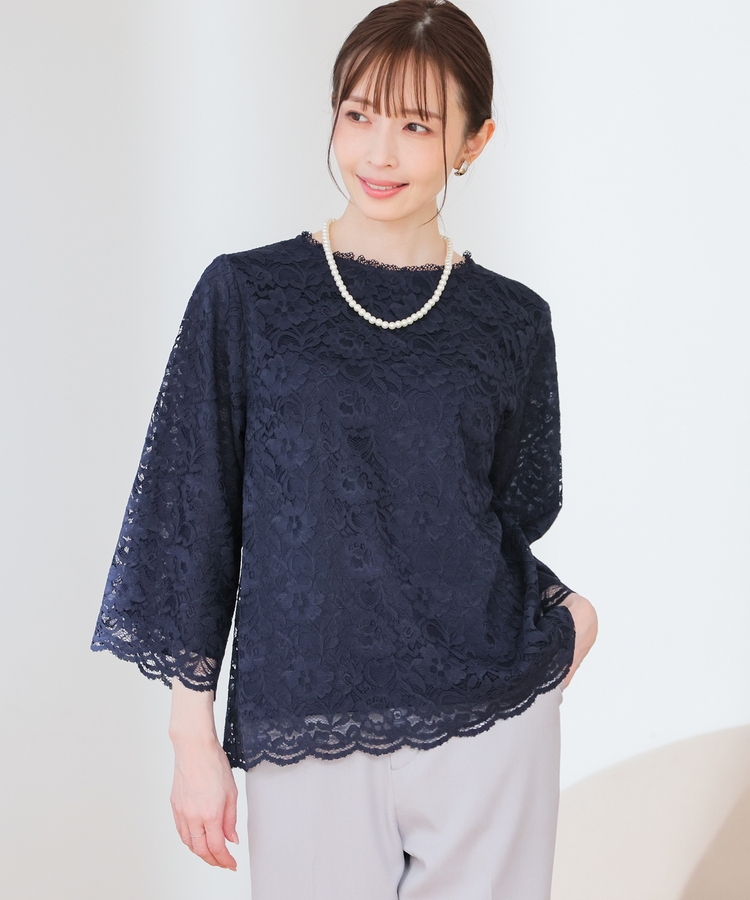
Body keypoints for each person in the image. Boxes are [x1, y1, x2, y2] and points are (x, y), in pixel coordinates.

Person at [92, 1, 597, 897]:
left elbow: (506, 511)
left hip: (487, 726)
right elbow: (192, 512)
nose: (378, 152)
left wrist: (573, 620)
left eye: (417, 125)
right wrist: (190, 735)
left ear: (474, 142)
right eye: (359, 115)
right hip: (306, 717)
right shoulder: (248, 296)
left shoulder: (512, 321)